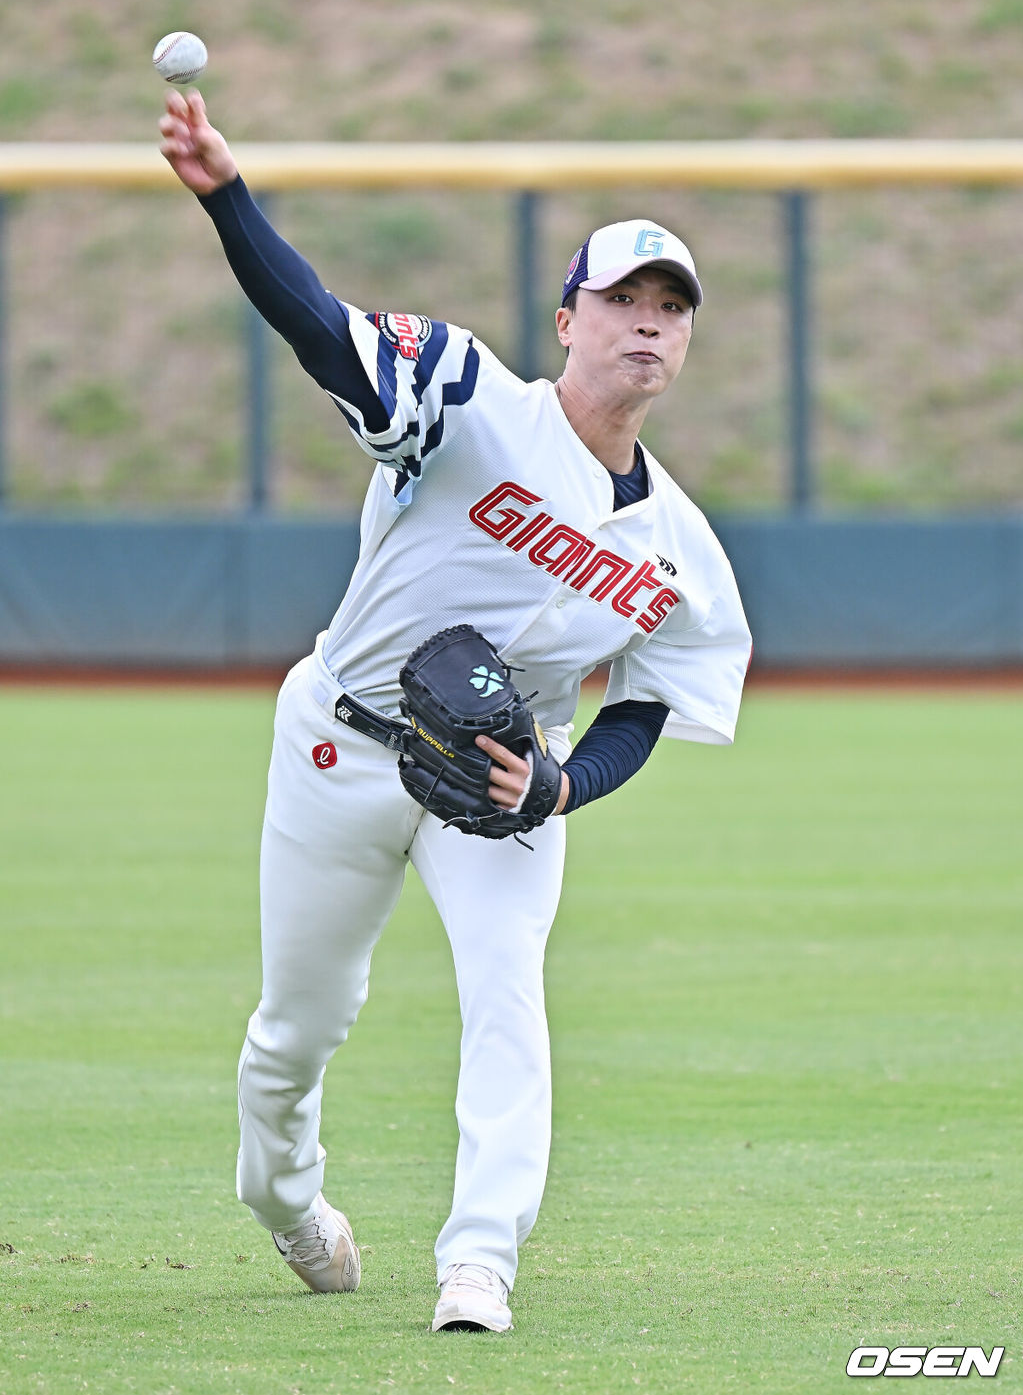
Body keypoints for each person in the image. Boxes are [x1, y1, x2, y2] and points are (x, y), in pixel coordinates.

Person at [159, 88, 752, 1334]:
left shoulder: (683, 551)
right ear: (567, 320)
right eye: (622, 303)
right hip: (337, 741)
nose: (646, 328)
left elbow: (648, 703)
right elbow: (322, 331)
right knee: (298, 1026)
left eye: (669, 311)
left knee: (508, 994)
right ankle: (283, 1196)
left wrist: (561, 785)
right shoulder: (470, 402)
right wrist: (227, 197)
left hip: (497, 782)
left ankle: (479, 1258)